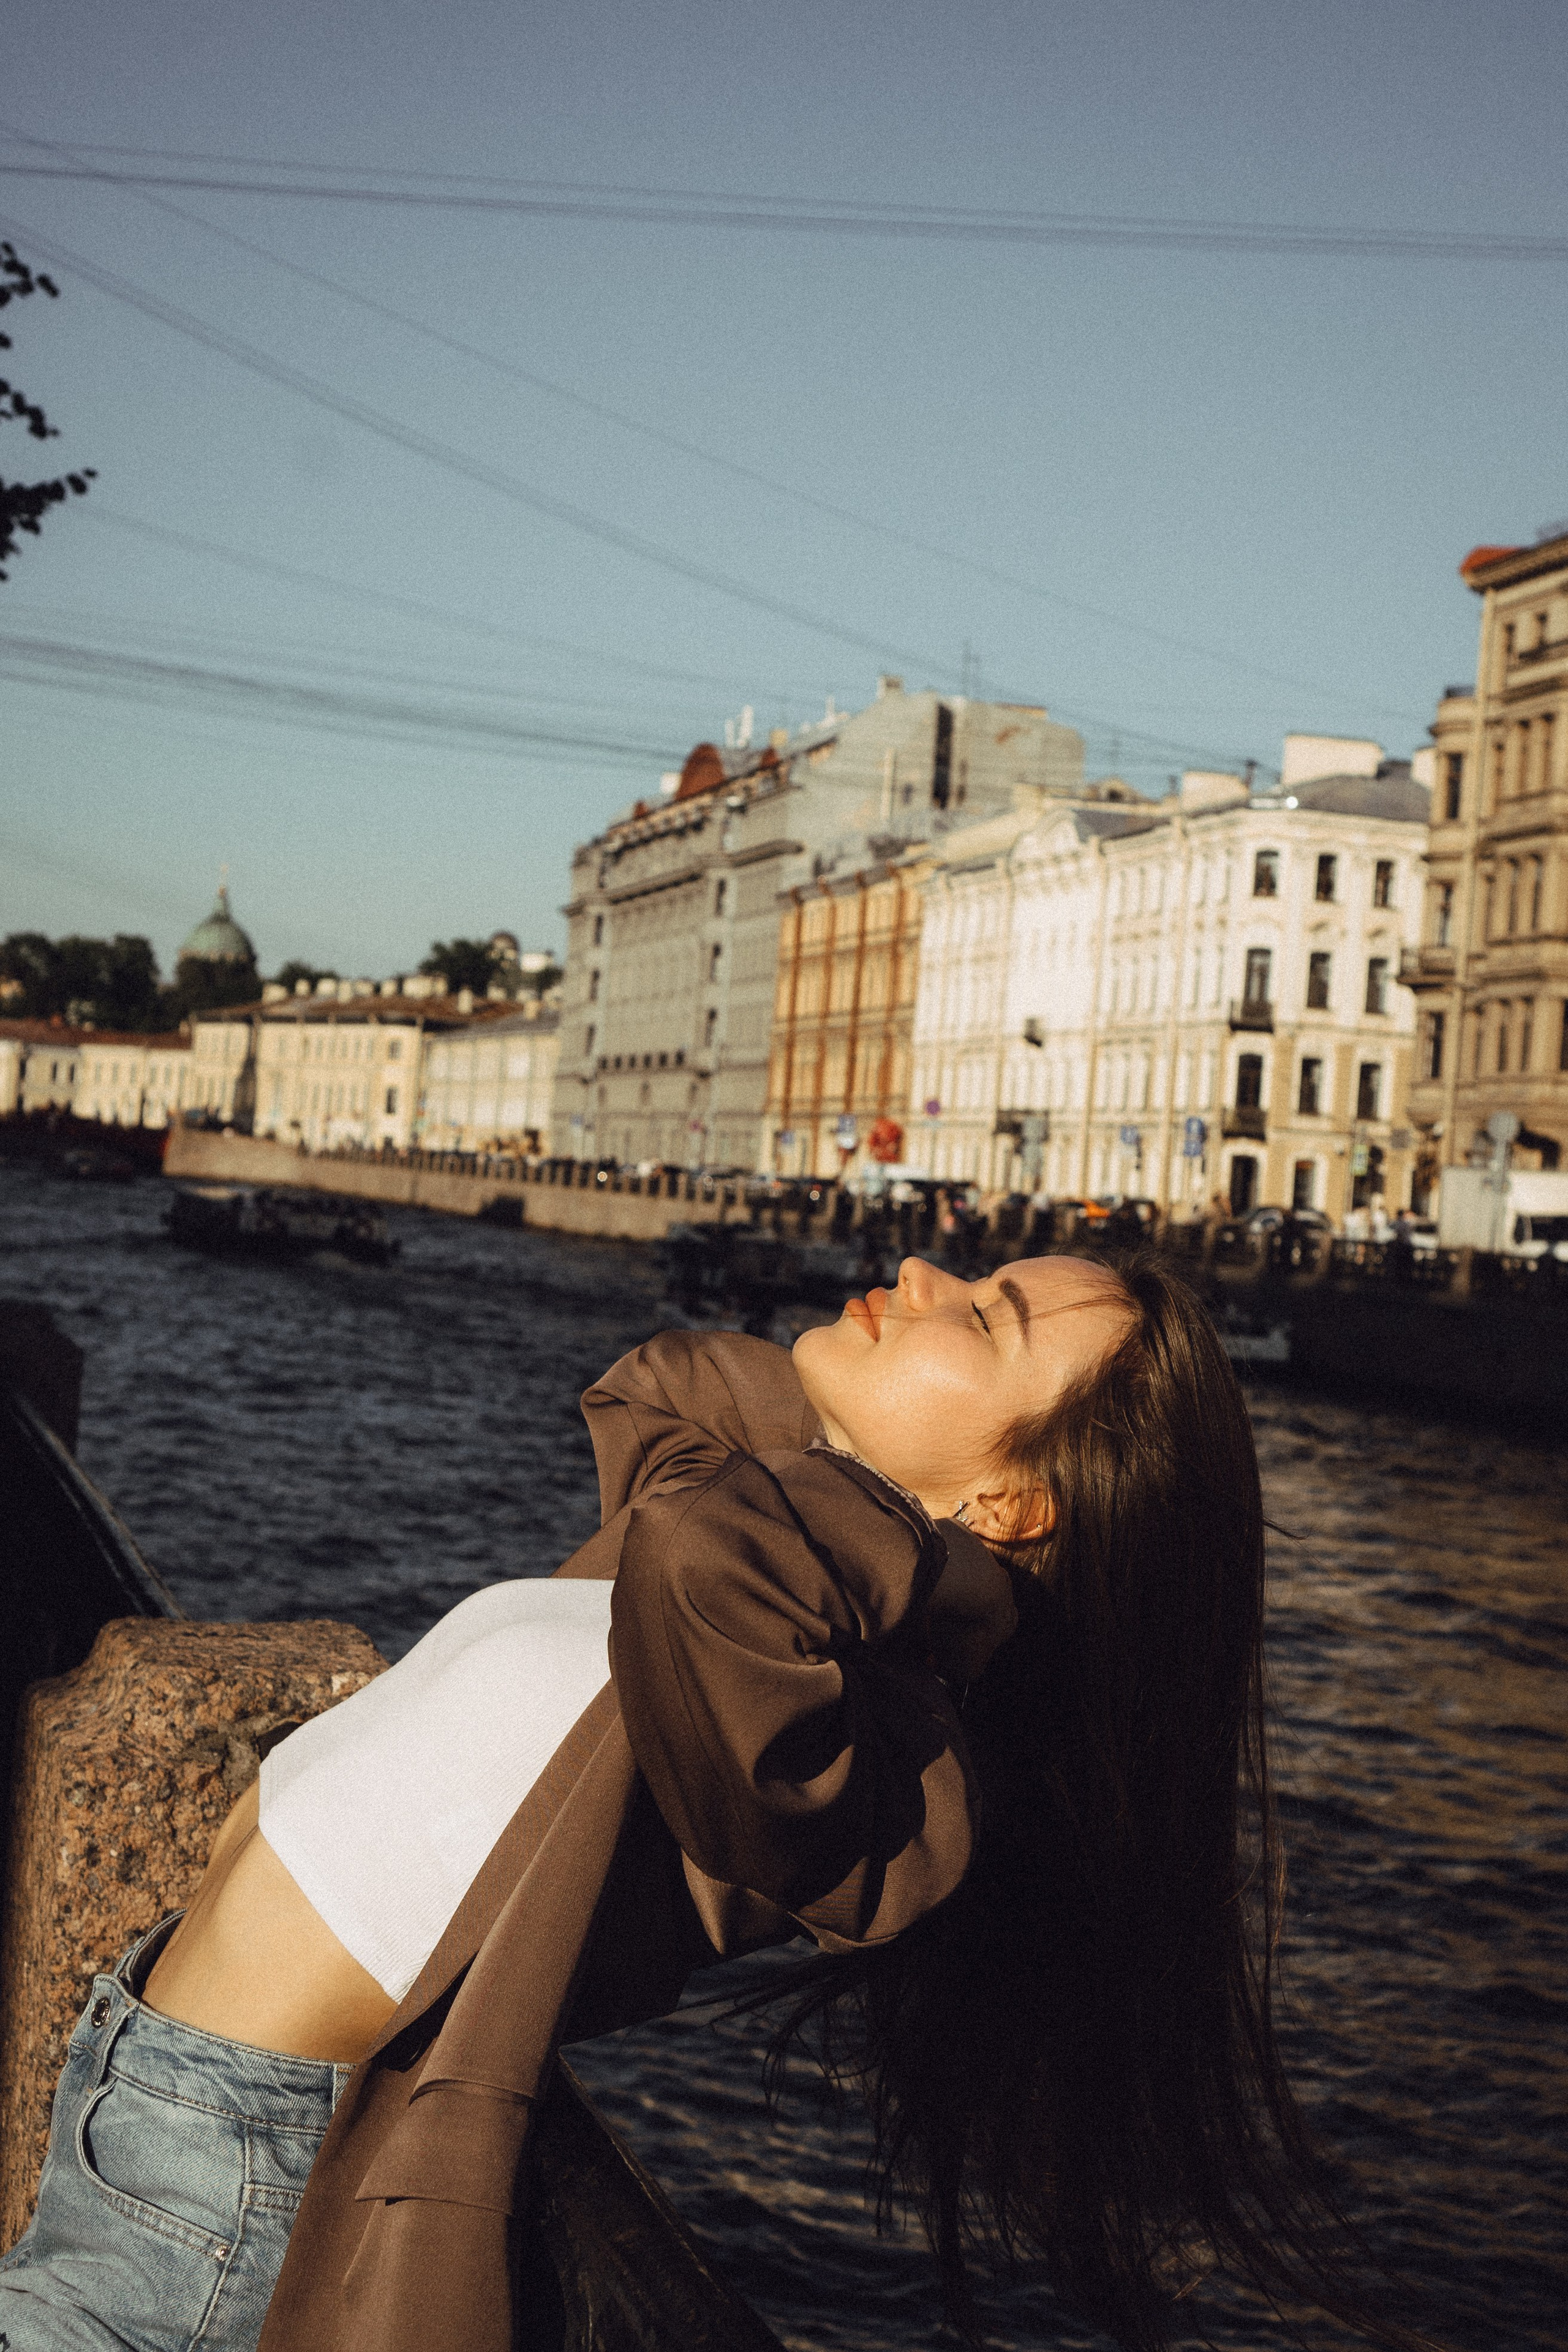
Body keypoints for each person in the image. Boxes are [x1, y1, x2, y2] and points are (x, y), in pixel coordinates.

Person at [0, 1251, 1435, 2352]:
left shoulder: (871, 1749)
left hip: (231, 2176)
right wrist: (877, 1459)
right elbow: (658, 1387)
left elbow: (704, 1553)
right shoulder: (790, 1578)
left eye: (982, 1315)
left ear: (1014, 1509)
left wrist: (951, 1571)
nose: (924, 1273)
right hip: (146, 2084)